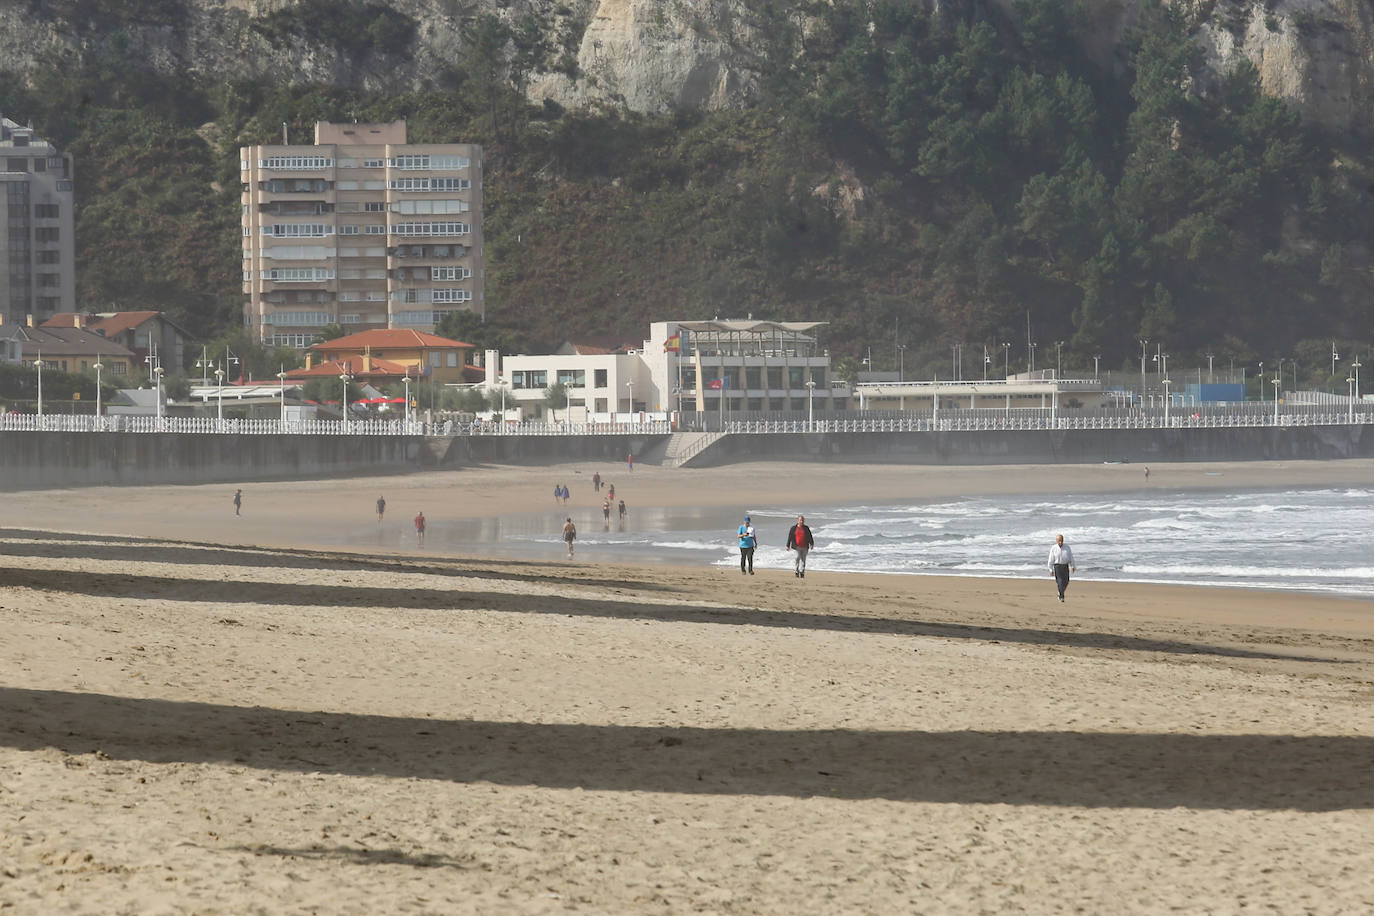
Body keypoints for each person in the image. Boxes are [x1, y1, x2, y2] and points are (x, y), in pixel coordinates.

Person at [1047, 533, 1076, 602]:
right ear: (1056, 541)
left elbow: (1071, 557)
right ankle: (1061, 597)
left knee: (1066, 581)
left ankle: (1060, 591)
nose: (1060, 542)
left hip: (1065, 566)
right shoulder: (1054, 548)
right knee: (1060, 582)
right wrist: (1050, 569)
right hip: (1057, 566)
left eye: (1061, 540)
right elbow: (1050, 559)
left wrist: (1073, 566)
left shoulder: (1067, 547)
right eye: (1059, 541)